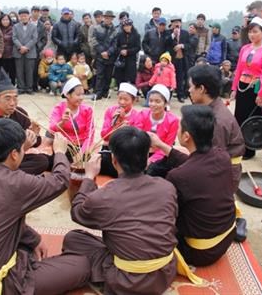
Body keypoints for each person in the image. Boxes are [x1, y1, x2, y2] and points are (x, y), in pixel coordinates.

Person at [0, 118, 90, 294]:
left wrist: (34, 239)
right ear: (14, 154)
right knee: (83, 266)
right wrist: (59, 152)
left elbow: (2, 218)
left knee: (28, 247)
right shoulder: (16, 183)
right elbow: (60, 181)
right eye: (22, 148)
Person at [61, 126, 179, 295]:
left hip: (127, 280)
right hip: (164, 272)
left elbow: (77, 212)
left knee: (74, 238)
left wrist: (88, 177)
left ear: (114, 160)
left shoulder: (104, 196)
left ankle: (103, 281)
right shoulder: (167, 187)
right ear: (147, 158)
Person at [149, 105, 237, 266]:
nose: (177, 131)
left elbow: (166, 213)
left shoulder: (179, 176)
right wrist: (161, 145)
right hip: (228, 236)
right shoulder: (222, 155)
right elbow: (192, 163)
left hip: (200, 253)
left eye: (179, 128)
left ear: (186, 136)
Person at [187, 65, 247, 241]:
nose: (189, 90)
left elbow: (213, 162)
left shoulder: (217, 121)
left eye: (191, 86)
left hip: (224, 171)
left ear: (202, 89)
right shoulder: (212, 107)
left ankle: (233, 222)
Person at [0, 72, 51, 175]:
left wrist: (34, 135)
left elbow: (36, 143)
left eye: (15, 98)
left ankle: (6, 176)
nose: (12, 103)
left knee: (42, 161)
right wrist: (19, 149)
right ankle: (14, 177)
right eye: (7, 98)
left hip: (16, 159)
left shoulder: (20, 114)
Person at [230, 17, 262, 159]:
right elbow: (239, 69)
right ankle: (237, 146)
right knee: (239, 116)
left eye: (255, 31)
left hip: (255, 87)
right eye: (250, 32)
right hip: (243, 85)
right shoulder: (245, 48)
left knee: (251, 118)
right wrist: (234, 88)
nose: (252, 35)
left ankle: (249, 149)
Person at [99, 83, 142, 177]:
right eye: (120, 98)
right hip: (109, 150)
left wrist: (123, 122)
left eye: (126, 99)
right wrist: (115, 124)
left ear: (133, 100)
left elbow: (135, 139)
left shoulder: (137, 115)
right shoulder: (111, 111)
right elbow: (104, 135)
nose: (122, 102)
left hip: (127, 152)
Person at [49, 77, 94, 160]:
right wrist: (62, 122)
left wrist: (81, 154)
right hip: (63, 145)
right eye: (78, 95)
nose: (81, 98)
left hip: (80, 147)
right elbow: (51, 129)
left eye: (82, 94)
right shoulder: (59, 108)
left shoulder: (88, 110)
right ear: (67, 95)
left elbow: (90, 135)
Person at [140, 84, 179, 177]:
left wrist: (151, 160)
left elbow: (167, 145)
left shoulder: (173, 120)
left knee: (153, 170)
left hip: (161, 153)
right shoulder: (142, 114)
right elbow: (137, 139)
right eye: (151, 101)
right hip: (142, 152)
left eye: (157, 101)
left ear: (165, 103)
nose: (153, 104)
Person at [90, 10, 118, 100]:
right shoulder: (97, 28)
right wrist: (102, 52)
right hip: (99, 56)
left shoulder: (115, 31)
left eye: (110, 18)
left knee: (108, 75)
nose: (108, 19)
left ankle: (105, 92)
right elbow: (93, 40)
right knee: (100, 75)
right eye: (106, 18)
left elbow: (116, 44)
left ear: (112, 19)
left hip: (110, 56)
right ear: (103, 18)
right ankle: (98, 93)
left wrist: (108, 52)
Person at [12, 8, 38, 95]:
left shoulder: (34, 26)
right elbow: (14, 38)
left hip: (30, 52)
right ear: (19, 17)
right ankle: (21, 88)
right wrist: (20, 47)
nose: (24, 17)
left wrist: (26, 47)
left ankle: (29, 88)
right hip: (18, 52)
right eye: (22, 16)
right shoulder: (15, 26)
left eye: (25, 16)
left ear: (29, 16)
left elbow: (34, 39)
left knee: (29, 71)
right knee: (19, 71)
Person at [166, 17, 190, 102]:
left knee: (180, 77)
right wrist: (173, 35)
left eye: (178, 22)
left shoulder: (185, 33)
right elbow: (165, 42)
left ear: (181, 24)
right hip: (171, 59)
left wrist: (182, 45)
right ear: (172, 24)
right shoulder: (167, 33)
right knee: (169, 77)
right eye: (175, 22)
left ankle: (180, 95)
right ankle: (168, 95)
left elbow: (189, 45)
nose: (177, 24)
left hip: (181, 58)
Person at [114, 19, 141, 85]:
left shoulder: (136, 35)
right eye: (125, 26)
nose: (127, 27)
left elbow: (138, 47)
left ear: (131, 26)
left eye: (128, 25)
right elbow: (116, 46)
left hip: (131, 58)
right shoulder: (119, 35)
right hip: (121, 59)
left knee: (131, 77)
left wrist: (128, 51)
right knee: (120, 77)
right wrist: (121, 51)